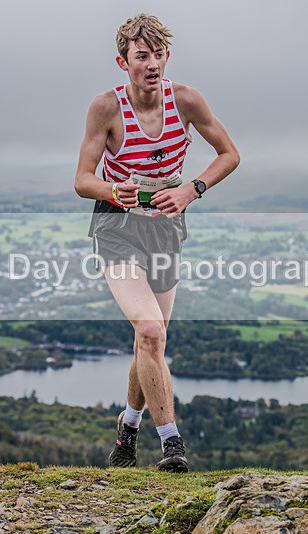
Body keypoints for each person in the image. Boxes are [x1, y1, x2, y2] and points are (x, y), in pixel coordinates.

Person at [74, 13, 240, 472]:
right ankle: (173, 446)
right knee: (150, 330)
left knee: (152, 341)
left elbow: (229, 154)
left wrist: (193, 189)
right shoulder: (105, 108)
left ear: (168, 57)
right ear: (123, 61)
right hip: (117, 226)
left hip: (165, 227)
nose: (152, 64)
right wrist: (113, 190)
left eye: (159, 55)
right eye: (142, 56)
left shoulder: (185, 100)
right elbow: (82, 179)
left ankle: (127, 432)